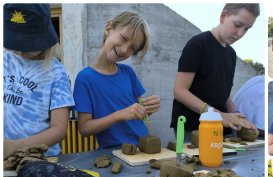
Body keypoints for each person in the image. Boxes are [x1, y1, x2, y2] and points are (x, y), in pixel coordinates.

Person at [170, 4, 260, 138]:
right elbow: (179, 91)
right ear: (223, 16)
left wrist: (239, 117)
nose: (240, 33)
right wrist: (218, 115)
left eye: (246, 29)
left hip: (221, 128)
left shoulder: (231, 54)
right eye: (237, 25)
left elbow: (224, 93)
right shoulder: (198, 44)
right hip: (193, 128)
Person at [73, 12, 160, 149]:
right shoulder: (85, 79)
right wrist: (119, 115)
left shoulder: (128, 72)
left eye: (132, 48)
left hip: (143, 148)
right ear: (108, 29)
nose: (125, 49)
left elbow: (138, 114)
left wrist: (148, 108)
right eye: (124, 38)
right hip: (115, 153)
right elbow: (84, 128)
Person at [3, 4, 75, 157]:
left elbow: (59, 129)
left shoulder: (57, 73)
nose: (21, 50)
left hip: (40, 160)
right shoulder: (4, 61)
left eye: (27, 44)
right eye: (15, 44)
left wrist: (14, 147)